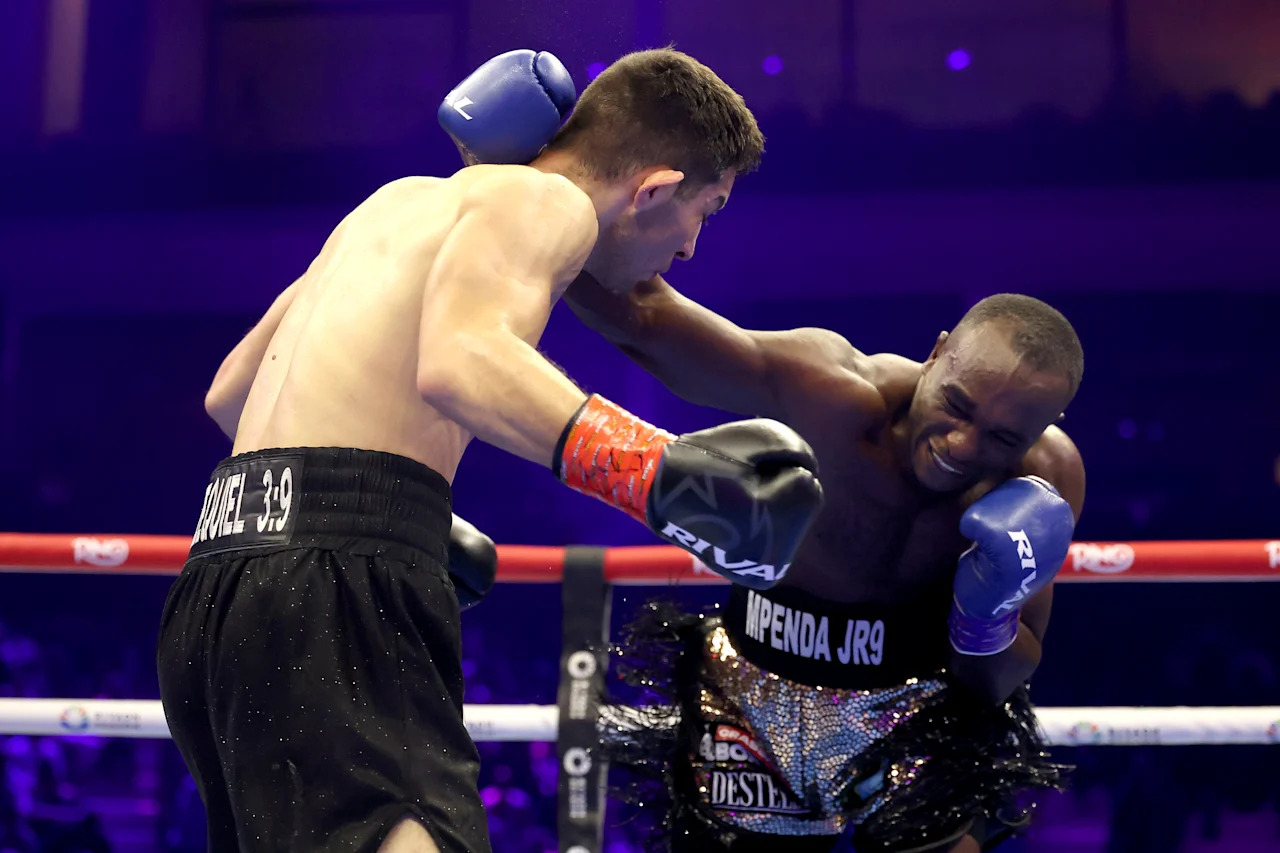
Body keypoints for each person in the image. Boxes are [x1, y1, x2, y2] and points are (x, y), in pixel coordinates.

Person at [156, 48, 824, 853]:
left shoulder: (395, 203)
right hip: (332, 583)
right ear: (654, 188)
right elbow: (460, 361)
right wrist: (661, 473)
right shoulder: (548, 201)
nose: (688, 251)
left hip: (219, 578)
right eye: (706, 211)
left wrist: (408, 515)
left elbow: (231, 393)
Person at [568, 280, 1085, 852]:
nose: (963, 445)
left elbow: (997, 680)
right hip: (750, 692)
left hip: (921, 715)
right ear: (936, 354)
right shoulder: (831, 391)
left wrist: (985, 618)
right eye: (956, 405)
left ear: (1044, 424)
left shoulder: (1045, 478)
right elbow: (645, 320)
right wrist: (567, 239)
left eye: (1004, 437)